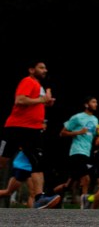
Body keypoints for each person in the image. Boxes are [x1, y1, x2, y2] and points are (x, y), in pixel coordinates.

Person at [0, 60, 60, 209]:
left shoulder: (39, 86)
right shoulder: (28, 81)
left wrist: (46, 103)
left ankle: (40, 198)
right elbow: (20, 100)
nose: (45, 70)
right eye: (41, 67)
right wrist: (42, 99)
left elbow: (34, 102)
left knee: (38, 161)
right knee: (2, 161)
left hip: (32, 130)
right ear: (31, 70)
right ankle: (40, 198)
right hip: (17, 127)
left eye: (45, 68)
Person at [56, 95, 99, 208]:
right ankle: (84, 203)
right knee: (86, 178)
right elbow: (62, 133)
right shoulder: (77, 117)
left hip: (87, 152)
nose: (96, 104)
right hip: (76, 151)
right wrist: (78, 132)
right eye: (93, 102)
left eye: (96, 102)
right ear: (86, 104)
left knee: (69, 185)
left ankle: (51, 196)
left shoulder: (95, 120)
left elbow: (92, 136)